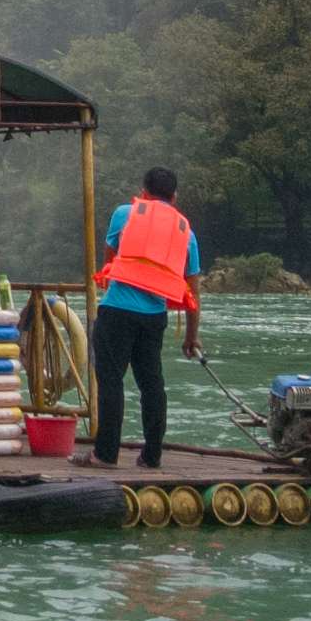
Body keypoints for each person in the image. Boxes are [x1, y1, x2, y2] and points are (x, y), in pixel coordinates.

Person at [88, 165, 202, 469]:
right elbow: (193, 293)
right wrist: (192, 336)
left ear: (143, 192)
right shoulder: (186, 232)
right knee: (152, 384)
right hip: (154, 316)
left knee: (111, 381)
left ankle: (105, 455)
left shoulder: (124, 213)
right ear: (174, 197)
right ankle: (151, 456)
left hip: (116, 310)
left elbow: (109, 260)